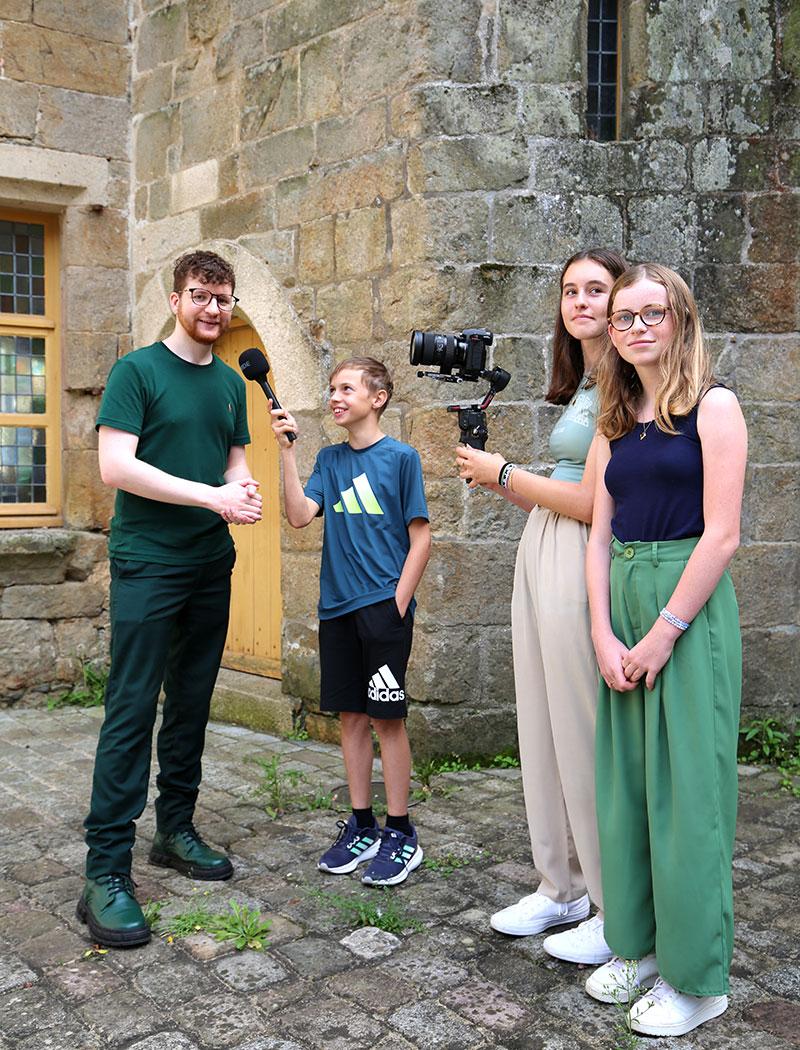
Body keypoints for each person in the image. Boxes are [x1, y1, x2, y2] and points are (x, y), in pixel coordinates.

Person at [78, 250, 263, 948]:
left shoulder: (226, 383)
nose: (213, 309)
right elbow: (115, 465)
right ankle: (105, 872)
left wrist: (238, 488)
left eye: (224, 299)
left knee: (190, 701)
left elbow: (232, 456)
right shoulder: (137, 371)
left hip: (209, 563)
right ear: (176, 298)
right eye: (200, 295)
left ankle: (175, 830)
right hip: (149, 563)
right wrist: (210, 496)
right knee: (131, 706)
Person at [584, 263, 747, 1037]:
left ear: (680, 319)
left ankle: (698, 979)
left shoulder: (714, 407)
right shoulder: (618, 414)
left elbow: (723, 534)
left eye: (653, 313)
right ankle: (640, 947)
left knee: (689, 802)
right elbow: (598, 528)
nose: (637, 327)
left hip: (686, 610)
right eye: (624, 317)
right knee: (629, 791)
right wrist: (601, 630)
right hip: (622, 598)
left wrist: (661, 633)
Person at [456, 248, 627, 964]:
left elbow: (594, 501)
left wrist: (504, 471)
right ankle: (560, 884)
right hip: (543, 543)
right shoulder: (586, 379)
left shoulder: (626, 381)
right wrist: (498, 481)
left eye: (597, 290)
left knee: (582, 729)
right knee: (544, 720)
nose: (581, 302)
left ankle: (616, 905)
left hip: (582, 547)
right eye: (570, 291)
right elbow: (561, 483)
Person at [270, 357, 431, 886]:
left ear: (378, 397)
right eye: (332, 388)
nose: (335, 397)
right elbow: (297, 515)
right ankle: (361, 824)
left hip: (382, 609)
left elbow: (420, 537)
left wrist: (397, 604)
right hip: (336, 609)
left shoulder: (401, 458)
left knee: (388, 720)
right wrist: (287, 454)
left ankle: (400, 831)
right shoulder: (329, 460)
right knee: (352, 718)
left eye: (347, 388)